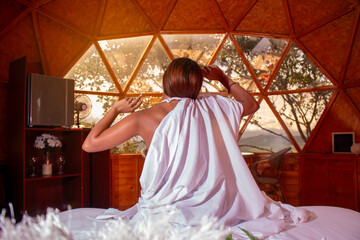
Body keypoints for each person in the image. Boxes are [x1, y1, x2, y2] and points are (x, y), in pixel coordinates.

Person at [82, 58, 309, 239]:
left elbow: (90, 144)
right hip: (216, 207)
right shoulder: (212, 106)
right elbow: (251, 104)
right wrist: (223, 78)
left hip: (166, 211)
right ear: (198, 84)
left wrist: (114, 109)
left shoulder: (143, 118)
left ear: (165, 82)